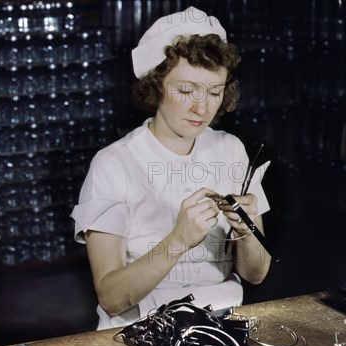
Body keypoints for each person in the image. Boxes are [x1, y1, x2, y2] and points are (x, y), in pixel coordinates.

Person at [71, 7, 271, 329]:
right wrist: (178, 240)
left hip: (222, 323)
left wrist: (246, 231)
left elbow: (256, 274)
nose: (201, 107)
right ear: (156, 85)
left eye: (214, 92)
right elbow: (110, 296)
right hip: (140, 330)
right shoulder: (114, 164)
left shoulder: (230, 150)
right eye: (186, 90)